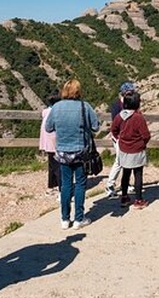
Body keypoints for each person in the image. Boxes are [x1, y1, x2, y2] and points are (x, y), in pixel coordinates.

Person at [45, 79, 100, 230]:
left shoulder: (56, 107)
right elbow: (96, 127)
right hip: (81, 152)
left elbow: (48, 128)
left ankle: (64, 219)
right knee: (81, 184)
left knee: (66, 185)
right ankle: (79, 219)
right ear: (78, 91)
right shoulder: (84, 106)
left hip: (62, 152)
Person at [110, 89, 151, 209]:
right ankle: (138, 199)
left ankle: (124, 197)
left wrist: (120, 140)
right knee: (138, 175)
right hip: (137, 149)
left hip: (124, 149)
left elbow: (114, 130)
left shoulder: (119, 116)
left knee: (126, 174)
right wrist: (142, 143)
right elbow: (146, 135)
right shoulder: (138, 118)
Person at [105, 81, 137, 198]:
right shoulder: (116, 105)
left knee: (127, 162)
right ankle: (110, 185)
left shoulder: (131, 103)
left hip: (127, 136)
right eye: (130, 92)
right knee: (119, 161)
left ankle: (126, 183)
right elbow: (116, 122)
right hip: (119, 137)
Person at [39, 94, 61, 196]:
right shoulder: (56, 112)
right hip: (54, 141)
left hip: (46, 141)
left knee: (51, 164)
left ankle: (51, 186)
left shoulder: (45, 112)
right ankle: (61, 187)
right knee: (58, 166)